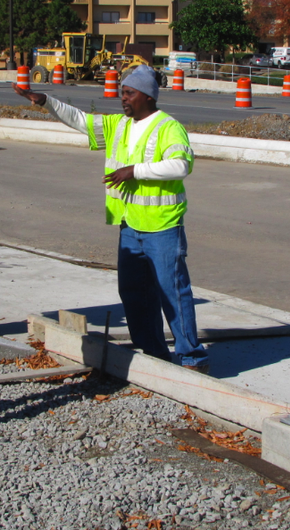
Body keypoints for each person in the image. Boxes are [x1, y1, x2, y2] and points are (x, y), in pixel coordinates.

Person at [13, 66, 209, 373]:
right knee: (133, 293)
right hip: (130, 224)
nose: (123, 98)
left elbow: (180, 165)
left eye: (129, 93)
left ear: (147, 95)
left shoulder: (168, 127)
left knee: (173, 292)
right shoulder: (120, 125)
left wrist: (134, 171)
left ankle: (191, 357)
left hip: (162, 225)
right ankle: (153, 352)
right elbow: (80, 120)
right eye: (122, 92)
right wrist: (46, 101)